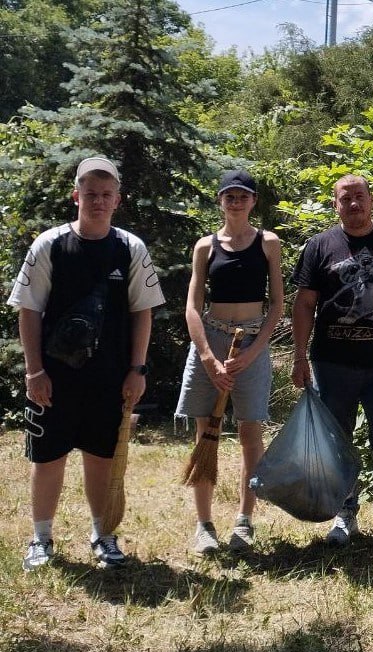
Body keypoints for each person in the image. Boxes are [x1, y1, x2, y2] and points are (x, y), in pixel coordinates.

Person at [8, 156, 165, 571]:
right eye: (90, 194)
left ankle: (104, 535)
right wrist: (34, 371)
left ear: (117, 200)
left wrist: (137, 369)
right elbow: (28, 309)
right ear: (76, 196)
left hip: (110, 377)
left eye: (106, 195)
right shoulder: (50, 245)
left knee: (102, 457)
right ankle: (41, 539)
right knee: (47, 457)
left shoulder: (131, 248)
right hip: (53, 378)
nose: (97, 201)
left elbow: (142, 312)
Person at [290, 174, 373, 555]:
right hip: (331, 364)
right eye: (345, 198)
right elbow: (303, 304)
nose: (354, 204)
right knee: (337, 442)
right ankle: (343, 513)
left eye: (359, 196)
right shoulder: (320, 246)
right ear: (335, 205)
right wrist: (300, 357)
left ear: (371, 200)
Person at [176, 169, 284, 555]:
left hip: (251, 342)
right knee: (206, 433)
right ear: (220, 200)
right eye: (229, 196)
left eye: (243, 196)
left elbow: (277, 305)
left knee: (250, 434)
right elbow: (191, 306)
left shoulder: (269, 243)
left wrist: (253, 352)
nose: (236, 202)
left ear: (253, 201)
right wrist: (207, 356)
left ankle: (244, 521)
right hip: (212, 339)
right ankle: (204, 525)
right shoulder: (205, 246)